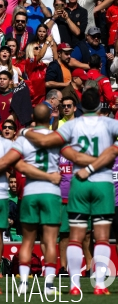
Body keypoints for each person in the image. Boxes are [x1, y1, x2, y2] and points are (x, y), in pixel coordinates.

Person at [21, 89, 118, 295]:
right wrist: (102, 159)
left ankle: (74, 285)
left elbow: (45, 141)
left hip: (79, 182)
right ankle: (99, 284)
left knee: (75, 236)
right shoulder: (110, 123)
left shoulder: (72, 125)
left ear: (80, 105)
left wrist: (24, 132)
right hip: (102, 182)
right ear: (100, 105)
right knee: (101, 237)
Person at [0, 104, 64, 295]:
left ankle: (23, 284)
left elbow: (11, 163)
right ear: (50, 118)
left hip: (30, 192)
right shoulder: (58, 138)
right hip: (51, 192)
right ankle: (48, 286)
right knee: (49, 241)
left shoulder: (23, 140)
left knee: (27, 241)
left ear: (33, 117)